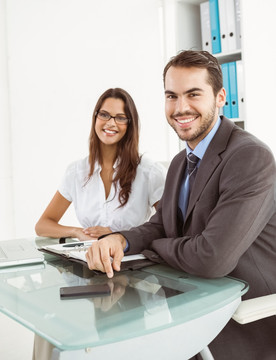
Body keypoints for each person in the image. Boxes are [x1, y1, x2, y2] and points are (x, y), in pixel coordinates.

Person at [85, 51, 276, 360]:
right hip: (188, 307)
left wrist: (153, 248)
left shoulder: (250, 156)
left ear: (220, 97)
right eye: (171, 96)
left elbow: (213, 258)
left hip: (243, 320)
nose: (180, 107)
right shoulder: (179, 162)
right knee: (103, 340)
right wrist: (120, 239)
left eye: (193, 94)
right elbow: (161, 224)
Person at [35, 87, 166, 241]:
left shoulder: (150, 172)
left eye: (120, 117)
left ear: (130, 125)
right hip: (90, 257)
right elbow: (42, 225)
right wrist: (78, 232)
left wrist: (119, 236)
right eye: (104, 115)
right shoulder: (76, 172)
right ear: (95, 118)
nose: (111, 123)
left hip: (133, 259)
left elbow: (167, 228)